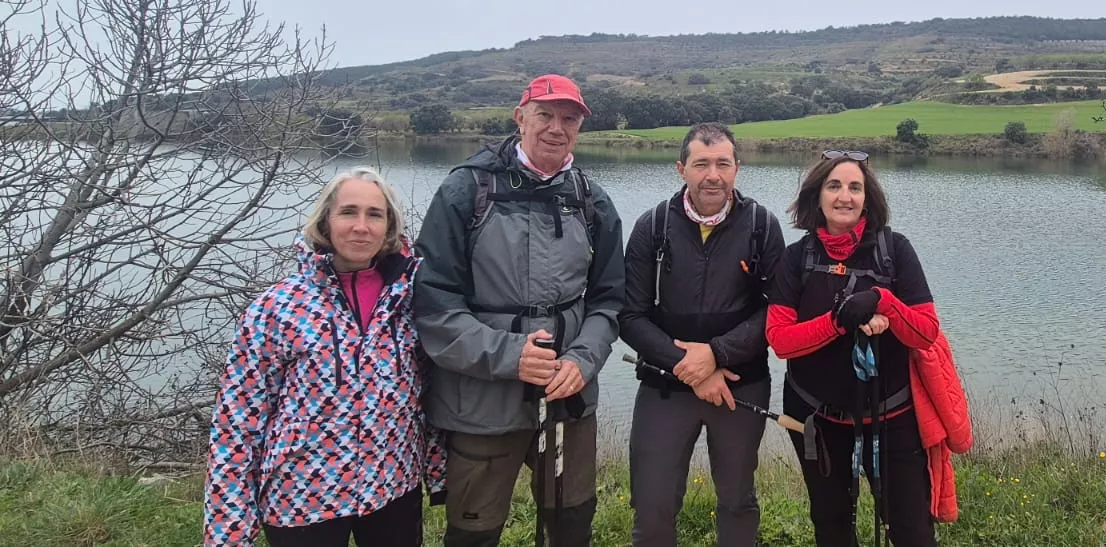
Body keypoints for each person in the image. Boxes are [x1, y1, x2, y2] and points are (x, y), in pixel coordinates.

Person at [413, 73, 626, 547]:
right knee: (474, 531)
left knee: (572, 523)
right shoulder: (464, 191)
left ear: (580, 128)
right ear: (520, 117)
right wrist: (511, 356)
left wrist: (583, 360)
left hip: (567, 395)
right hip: (482, 402)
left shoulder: (592, 201)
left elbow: (609, 300)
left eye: (569, 119)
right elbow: (433, 305)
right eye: (545, 115)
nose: (556, 127)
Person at [204, 166, 443, 547]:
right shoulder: (278, 307)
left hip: (392, 486)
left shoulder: (414, 299)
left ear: (389, 227)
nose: (361, 227)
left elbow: (430, 392)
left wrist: (438, 469)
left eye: (374, 214)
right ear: (325, 222)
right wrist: (229, 527)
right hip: (301, 496)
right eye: (348, 212)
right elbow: (238, 420)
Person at [765, 150, 948, 547]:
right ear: (817, 196)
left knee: (912, 530)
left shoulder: (895, 250)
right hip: (817, 416)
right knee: (831, 526)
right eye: (834, 186)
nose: (844, 196)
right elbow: (779, 340)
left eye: (855, 187)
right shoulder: (797, 257)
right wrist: (838, 320)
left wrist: (884, 301)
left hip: (892, 417)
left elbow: (926, 331)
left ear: (868, 198)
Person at [619, 123, 787, 547]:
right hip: (664, 387)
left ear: (737, 169)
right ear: (681, 169)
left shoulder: (762, 226)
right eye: (701, 164)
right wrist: (691, 369)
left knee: (736, 500)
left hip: (739, 386)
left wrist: (716, 354)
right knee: (652, 505)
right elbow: (630, 316)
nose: (712, 175)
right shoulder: (652, 225)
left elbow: (778, 312)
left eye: (722, 164)